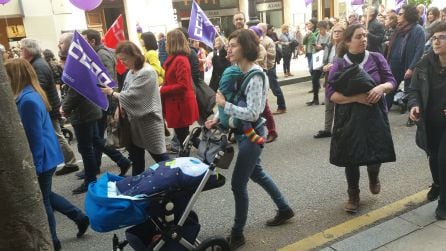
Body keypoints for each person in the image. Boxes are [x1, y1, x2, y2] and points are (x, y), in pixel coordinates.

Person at [206, 29, 294, 250]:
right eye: (229, 44)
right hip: (243, 134)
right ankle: (284, 209)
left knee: (238, 184)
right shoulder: (237, 70)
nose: (229, 48)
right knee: (258, 173)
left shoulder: (256, 75)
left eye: (234, 45)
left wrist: (225, 106)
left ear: (246, 48)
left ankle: (237, 234)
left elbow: (254, 113)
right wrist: (217, 117)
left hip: (251, 136)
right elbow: (231, 98)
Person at [5, 59, 90, 251]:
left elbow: (34, 138)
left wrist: (32, 167)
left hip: (41, 157)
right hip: (45, 155)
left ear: (15, 76)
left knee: (42, 201)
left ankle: (53, 241)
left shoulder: (27, 100)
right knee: (45, 195)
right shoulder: (28, 95)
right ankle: (79, 216)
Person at [326, 24, 397, 213]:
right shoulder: (339, 63)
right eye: (359, 36)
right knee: (351, 157)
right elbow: (330, 93)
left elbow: (392, 81)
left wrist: (381, 88)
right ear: (348, 41)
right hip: (349, 118)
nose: (364, 39)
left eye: (365, 35)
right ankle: (353, 195)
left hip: (374, 115)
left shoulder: (376, 58)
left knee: (375, 151)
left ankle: (374, 175)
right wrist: (355, 98)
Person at [101, 41, 169, 176]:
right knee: (136, 158)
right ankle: (136, 186)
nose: (123, 63)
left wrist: (111, 93)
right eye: (120, 60)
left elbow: (132, 96)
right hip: (133, 122)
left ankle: (176, 183)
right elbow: (126, 92)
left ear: (135, 55)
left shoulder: (147, 72)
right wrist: (118, 107)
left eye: (125, 59)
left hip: (149, 122)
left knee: (160, 158)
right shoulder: (132, 71)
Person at [20, 38, 80, 176]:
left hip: (48, 106)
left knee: (56, 135)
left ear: (29, 50)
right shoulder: (36, 62)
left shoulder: (37, 65)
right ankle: (69, 161)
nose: (20, 51)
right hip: (49, 104)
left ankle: (71, 162)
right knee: (56, 134)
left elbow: (39, 86)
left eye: (22, 48)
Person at [407, 22, 446, 219]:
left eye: (441, 37)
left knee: (443, 158)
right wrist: (414, 105)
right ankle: (438, 184)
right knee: (433, 156)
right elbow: (413, 90)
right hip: (430, 121)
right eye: (434, 38)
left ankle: (444, 204)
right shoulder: (424, 63)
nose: (436, 41)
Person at [81, 29, 132, 178]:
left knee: (96, 137)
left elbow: (107, 80)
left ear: (92, 41)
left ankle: (120, 161)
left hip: (103, 101)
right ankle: (95, 166)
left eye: (85, 40)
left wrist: (109, 103)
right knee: (96, 136)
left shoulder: (101, 55)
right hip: (103, 100)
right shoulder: (100, 53)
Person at [58, 34, 104, 194]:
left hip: (84, 112)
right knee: (92, 144)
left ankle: (90, 180)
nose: (59, 44)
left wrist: (65, 107)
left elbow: (75, 90)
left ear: (69, 44)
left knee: (86, 148)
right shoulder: (78, 57)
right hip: (89, 109)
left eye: (61, 42)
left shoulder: (75, 60)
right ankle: (120, 161)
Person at [385, 5, 425, 126]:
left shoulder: (418, 29)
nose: (398, 16)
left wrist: (412, 68)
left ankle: (412, 116)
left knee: (410, 92)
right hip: (396, 64)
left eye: (401, 14)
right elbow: (394, 48)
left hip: (409, 65)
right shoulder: (399, 29)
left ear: (408, 15)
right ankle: (382, 114)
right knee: (389, 89)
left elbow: (420, 51)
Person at [161, 29, 199, 149]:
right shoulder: (177, 58)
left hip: (179, 105)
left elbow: (183, 86)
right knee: (184, 136)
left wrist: (162, 89)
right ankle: (208, 152)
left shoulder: (180, 60)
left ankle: (208, 152)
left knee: (184, 137)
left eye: (167, 41)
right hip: (177, 104)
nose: (165, 44)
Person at [313, 23, 345, 139]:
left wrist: (336, 66)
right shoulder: (330, 45)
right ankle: (327, 130)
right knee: (328, 105)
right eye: (334, 31)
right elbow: (324, 61)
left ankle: (340, 128)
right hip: (329, 78)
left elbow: (349, 63)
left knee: (341, 106)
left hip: (341, 79)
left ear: (344, 33)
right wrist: (325, 67)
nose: (336, 33)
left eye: (339, 31)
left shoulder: (346, 46)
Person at [307, 20, 330, 106]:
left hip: (326, 59)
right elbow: (316, 45)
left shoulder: (329, 36)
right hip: (318, 58)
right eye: (319, 29)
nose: (321, 31)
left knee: (327, 80)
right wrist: (316, 46)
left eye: (322, 29)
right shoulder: (318, 35)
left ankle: (327, 98)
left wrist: (322, 46)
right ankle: (315, 98)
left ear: (325, 28)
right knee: (314, 78)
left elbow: (329, 46)